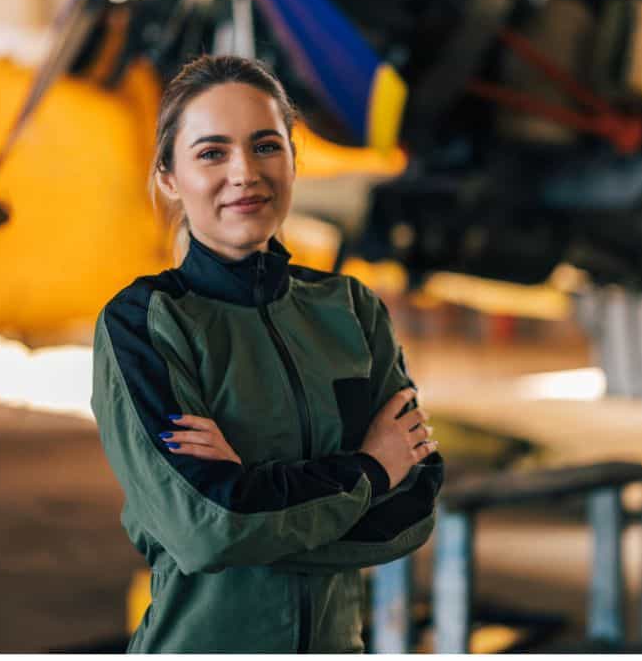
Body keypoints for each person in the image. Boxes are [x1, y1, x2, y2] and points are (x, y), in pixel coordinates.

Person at [90, 54, 444, 653]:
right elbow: (205, 529)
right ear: (169, 178)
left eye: (265, 146)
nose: (244, 172)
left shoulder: (351, 310)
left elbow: (412, 510)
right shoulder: (146, 324)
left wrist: (252, 499)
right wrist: (369, 468)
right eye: (211, 153)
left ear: (293, 160)